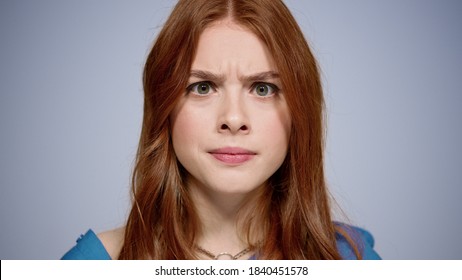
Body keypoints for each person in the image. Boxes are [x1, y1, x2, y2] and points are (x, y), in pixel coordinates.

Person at [62, 0, 380, 260]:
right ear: (165, 108)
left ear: (300, 112)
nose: (233, 118)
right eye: (203, 87)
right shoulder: (96, 263)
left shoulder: (351, 258)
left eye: (263, 88)